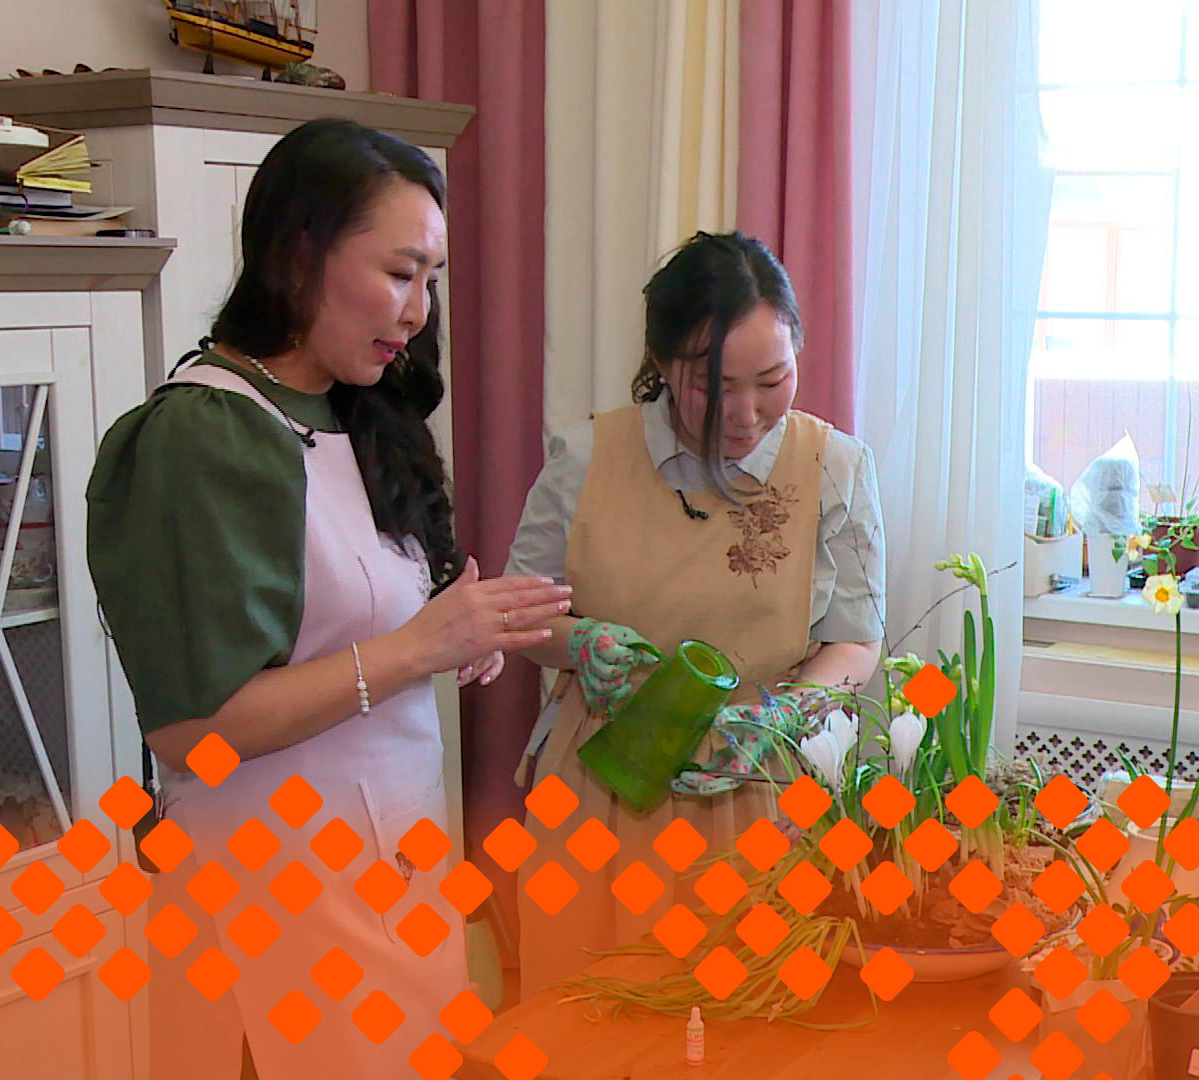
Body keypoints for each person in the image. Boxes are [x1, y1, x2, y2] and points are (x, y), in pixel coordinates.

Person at [85, 117, 568, 1077]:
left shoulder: (353, 411)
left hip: (390, 881)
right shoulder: (200, 438)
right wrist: (418, 648)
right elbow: (192, 732)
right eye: (399, 273)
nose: (418, 311)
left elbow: (354, 631)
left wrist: (452, 632)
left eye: (432, 280)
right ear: (299, 255)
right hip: (271, 907)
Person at [504, 231, 887, 998]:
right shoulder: (586, 457)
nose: (746, 414)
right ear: (662, 363)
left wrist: (786, 715)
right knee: (586, 1013)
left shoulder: (834, 467)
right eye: (713, 387)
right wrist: (580, 642)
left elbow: (854, 640)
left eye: (772, 380)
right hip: (603, 780)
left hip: (761, 784)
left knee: (748, 1013)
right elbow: (520, 615)